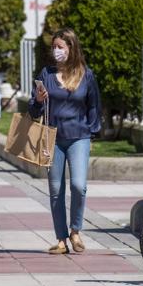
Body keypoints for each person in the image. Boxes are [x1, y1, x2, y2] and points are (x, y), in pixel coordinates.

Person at [29, 28, 101, 255]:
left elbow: (94, 105)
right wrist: (39, 100)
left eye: (61, 46)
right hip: (53, 138)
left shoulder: (85, 74)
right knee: (55, 189)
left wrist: (92, 130)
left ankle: (75, 231)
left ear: (71, 48)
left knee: (79, 186)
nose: (56, 51)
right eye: (54, 47)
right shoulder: (46, 74)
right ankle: (61, 238)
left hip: (79, 136)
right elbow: (33, 110)